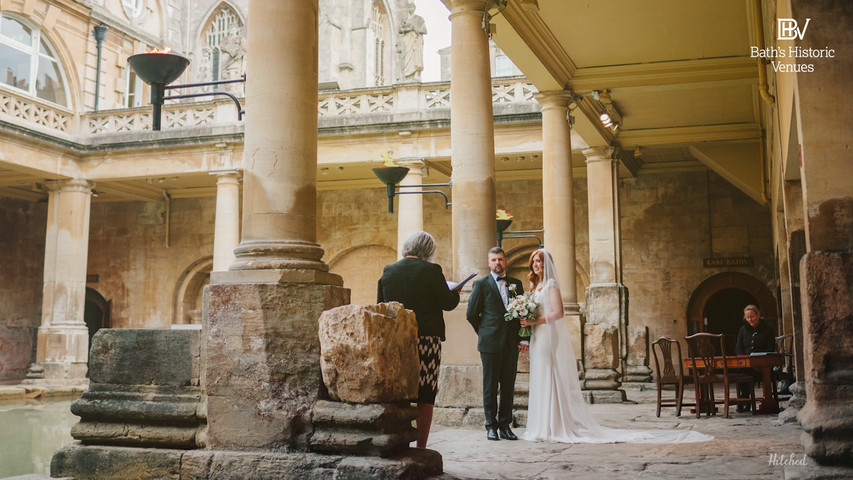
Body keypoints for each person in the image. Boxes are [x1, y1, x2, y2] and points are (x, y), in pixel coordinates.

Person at [520, 248, 712, 443]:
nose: (536, 265)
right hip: (536, 335)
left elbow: (558, 313)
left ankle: (553, 426)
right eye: (534, 261)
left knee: (548, 373)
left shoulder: (551, 285)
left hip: (547, 335)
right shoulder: (534, 286)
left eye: (540, 261)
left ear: (547, 264)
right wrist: (526, 327)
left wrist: (534, 321)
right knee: (540, 375)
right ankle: (542, 424)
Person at [377, 231, 459, 448]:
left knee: (399, 392)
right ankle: (421, 447)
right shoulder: (432, 270)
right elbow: (448, 303)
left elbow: (380, 305)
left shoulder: (388, 271)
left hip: (397, 339)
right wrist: (456, 291)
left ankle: (399, 443)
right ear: (428, 251)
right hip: (426, 339)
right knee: (425, 394)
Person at [466, 247, 527, 441]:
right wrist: (484, 332)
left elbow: (523, 314)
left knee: (508, 386)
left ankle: (505, 426)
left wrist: (523, 338)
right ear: (488, 262)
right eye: (494, 260)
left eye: (500, 259)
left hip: (511, 343)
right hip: (489, 343)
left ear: (505, 261)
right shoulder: (480, 285)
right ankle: (490, 426)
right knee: (490, 386)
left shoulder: (516, 284)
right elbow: (471, 314)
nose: (497, 263)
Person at [734, 304, 776, 412]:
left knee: (750, 372)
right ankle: (745, 400)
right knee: (741, 371)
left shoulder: (767, 329)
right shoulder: (743, 330)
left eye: (752, 316)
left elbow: (770, 348)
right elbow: (739, 347)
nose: (750, 319)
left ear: (758, 315)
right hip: (747, 363)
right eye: (748, 317)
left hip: (762, 365)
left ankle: (747, 402)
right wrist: (743, 357)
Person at [398, 2, 427, 82]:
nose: (410, 8)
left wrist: (414, 29)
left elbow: (424, 30)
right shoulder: (404, 19)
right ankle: (405, 76)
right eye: (408, 7)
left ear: (414, 8)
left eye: (411, 7)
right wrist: (407, 29)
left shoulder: (419, 19)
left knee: (415, 57)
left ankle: (415, 75)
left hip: (415, 41)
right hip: (406, 41)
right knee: (405, 56)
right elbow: (400, 30)